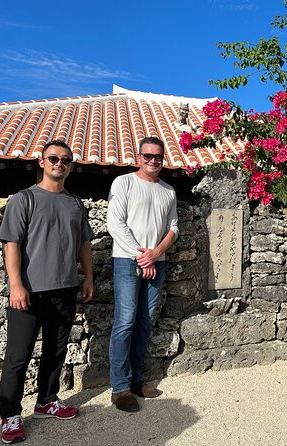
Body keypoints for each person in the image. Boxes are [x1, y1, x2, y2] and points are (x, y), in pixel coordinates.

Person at [0, 140, 94, 444]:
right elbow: (11, 243)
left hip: (64, 288)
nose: (59, 163)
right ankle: (10, 414)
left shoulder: (76, 204)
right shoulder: (23, 200)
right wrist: (15, 285)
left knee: (56, 350)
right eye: (53, 158)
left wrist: (88, 277)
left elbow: (84, 244)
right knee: (17, 356)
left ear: (71, 165)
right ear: (41, 162)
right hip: (28, 292)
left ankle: (46, 401)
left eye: (65, 160)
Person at [107, 136, 178, 412]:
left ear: (163, 158)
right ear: (139, 156)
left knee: (145, 322)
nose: (152, 160)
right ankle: (120, 387)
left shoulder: (168, 191)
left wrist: (155, 252)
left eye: (157, 156)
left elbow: (173, 227)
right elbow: (116, 223)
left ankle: (137, 379)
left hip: (155, 262)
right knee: (124, 322)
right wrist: (142, 255)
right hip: (127, 260)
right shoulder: (123, 183)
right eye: (147, 155)